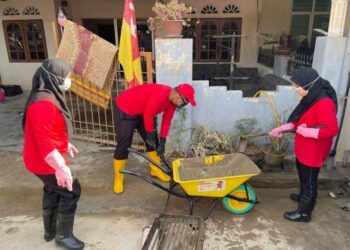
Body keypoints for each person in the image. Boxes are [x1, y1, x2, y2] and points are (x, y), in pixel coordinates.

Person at [22, 58, 84, 249]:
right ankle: (63, 236)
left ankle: (50, 231)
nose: (68, 79)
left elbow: (48, 131)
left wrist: (65, 144)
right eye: (66, 76)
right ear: (54, 77)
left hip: (39, 158)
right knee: (70, 190)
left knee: (52, 189)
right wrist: (61, 168)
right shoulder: (43, 104)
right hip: (45, 161)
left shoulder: (46, 95)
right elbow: (45, 143)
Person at [269, 68, 338, 222]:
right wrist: (282, 128)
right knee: (302, 175)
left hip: (314, 151)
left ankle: (304, 213)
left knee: (310, 182)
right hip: (304, 147)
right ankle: (302, 197)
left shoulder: (324, 102)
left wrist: (307, 132)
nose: (296, 89)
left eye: (298, 86)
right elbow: (299, 120)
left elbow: (332, 129)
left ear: (309, 85)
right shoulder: (310, 97)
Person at [113, 83, 196, 194]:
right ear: (178, 96)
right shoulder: (160, 94)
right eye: (184, 102)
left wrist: (162, 141)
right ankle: (118, 177)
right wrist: (150, 135)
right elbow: (148, 116)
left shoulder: (172, 103)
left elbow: (166, 121)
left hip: (142, 111)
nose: (183, 105)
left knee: (153, 142)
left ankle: (155, 170)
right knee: (124, 144)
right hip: (125, 108)